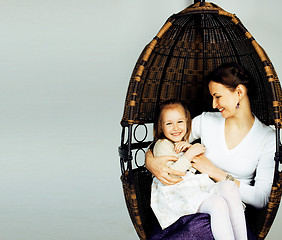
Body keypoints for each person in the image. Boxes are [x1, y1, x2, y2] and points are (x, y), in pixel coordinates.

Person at [146, 62, 275, 239]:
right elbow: (167, 139)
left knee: (209, 224)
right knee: (201, 225)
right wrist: (149, 160)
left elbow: (261, 199)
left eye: (218, 96)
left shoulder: (267, 138)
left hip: (233, 208)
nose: (214, 104)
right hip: (195, 202)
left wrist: (214, 171)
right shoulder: (206, 121)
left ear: (239, 92)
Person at [150, 99, 247, 240]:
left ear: (187, 122)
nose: (175, 128)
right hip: (176, 195)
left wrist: (192, 149)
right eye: (169, 123)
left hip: (192, 191)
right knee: (217, 203)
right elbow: (172, 177)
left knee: (229, 186)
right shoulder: (162, 144)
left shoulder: (183, 143)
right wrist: (191, 153)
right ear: (161, 126)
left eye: (180, 122)